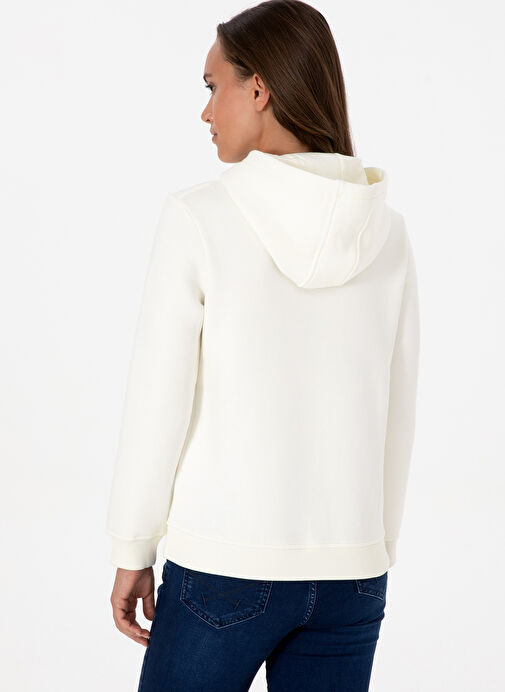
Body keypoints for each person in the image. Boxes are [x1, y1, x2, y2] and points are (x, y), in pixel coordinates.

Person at [106, 1, 420, 690]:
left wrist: (133, 544)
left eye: (212, 86)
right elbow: (397, 407)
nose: (205, 111)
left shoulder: (198, 216)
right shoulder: (386, 230)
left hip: (225, 564)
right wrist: (372, 545)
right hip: (353, 571)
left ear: (258, 89)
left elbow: (159, 398)